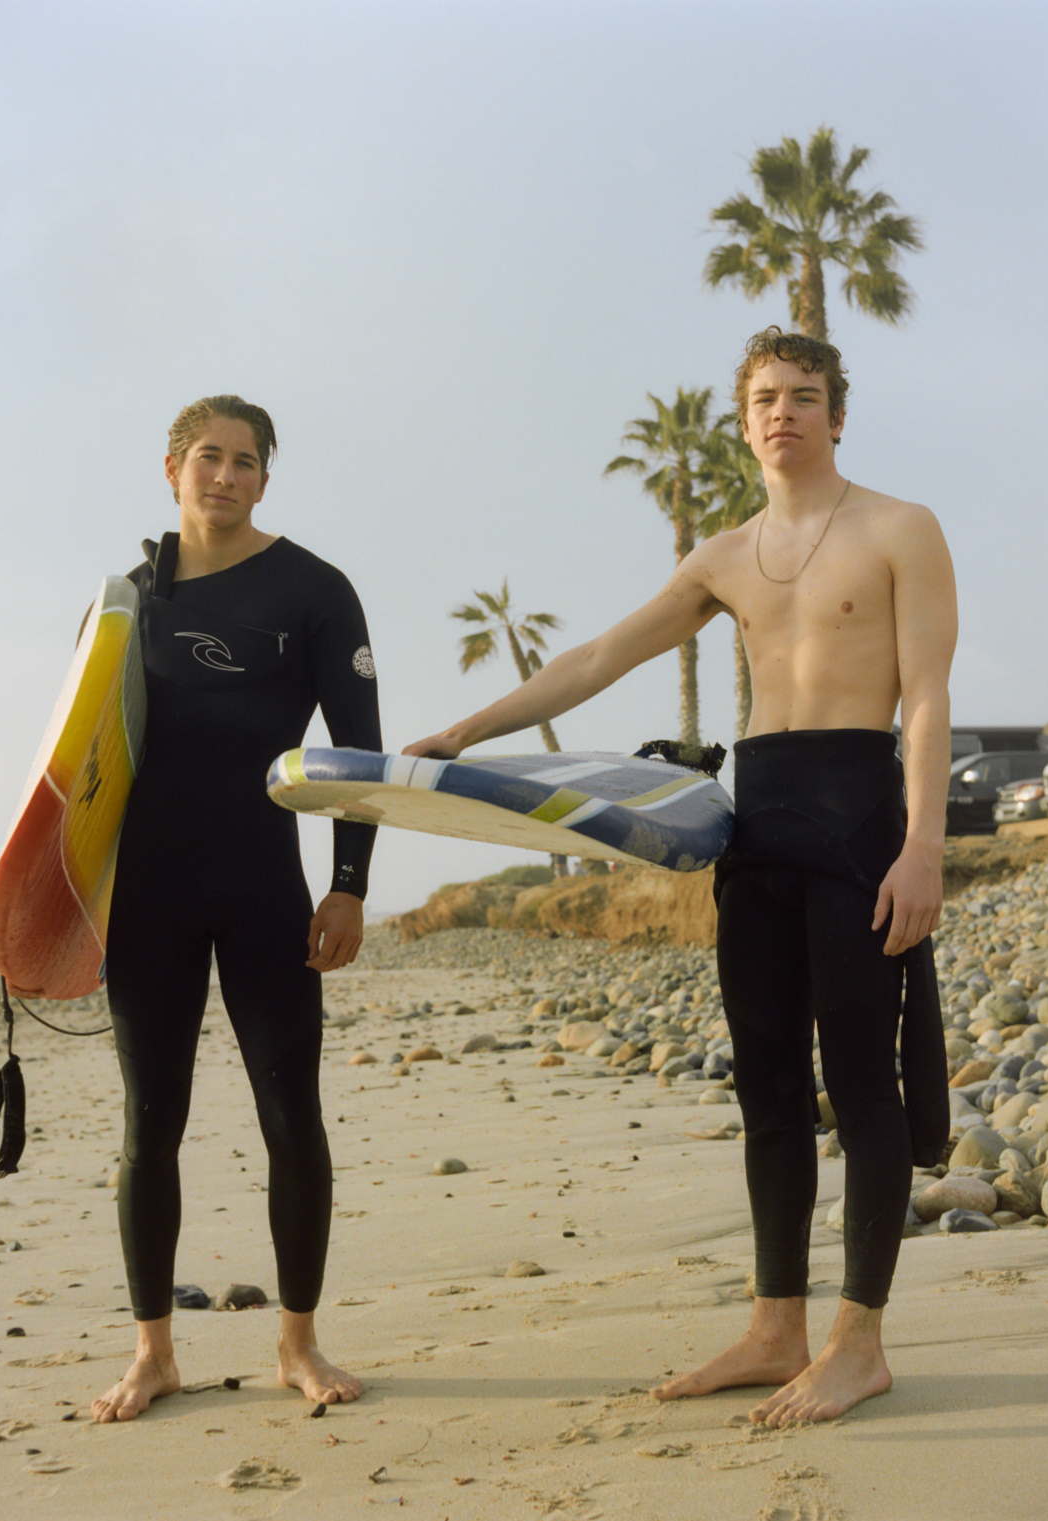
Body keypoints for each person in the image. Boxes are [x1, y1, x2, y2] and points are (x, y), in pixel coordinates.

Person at [406, 328, 956, 1425]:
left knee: (859, 1083)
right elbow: (596, 659)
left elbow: (929, 696)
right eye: (765, 398)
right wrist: (463, 733)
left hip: (859, 825)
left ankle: (860, 1344)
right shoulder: (721, 557)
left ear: (837, 416)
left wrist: (923, 847)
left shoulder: (902, 528)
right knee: (765, 1090)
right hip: (757, 832)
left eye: (805, 396)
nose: (783, 413)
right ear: (742, 421)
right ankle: (773, 1326)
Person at [91, 396, 380, 1423]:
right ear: (170, 467)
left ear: (265, 478)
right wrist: (64, 905)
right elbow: (83, 768)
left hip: (266, 887)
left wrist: (349, 886)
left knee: (292, 1115)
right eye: (207, 458)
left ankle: (298, 1343)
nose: (224, 475)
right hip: (148, 897)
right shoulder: (127, 599)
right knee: (147, 1127)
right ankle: (152, 1353)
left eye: (244, 462)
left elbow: (356, 755)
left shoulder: (314, 591)